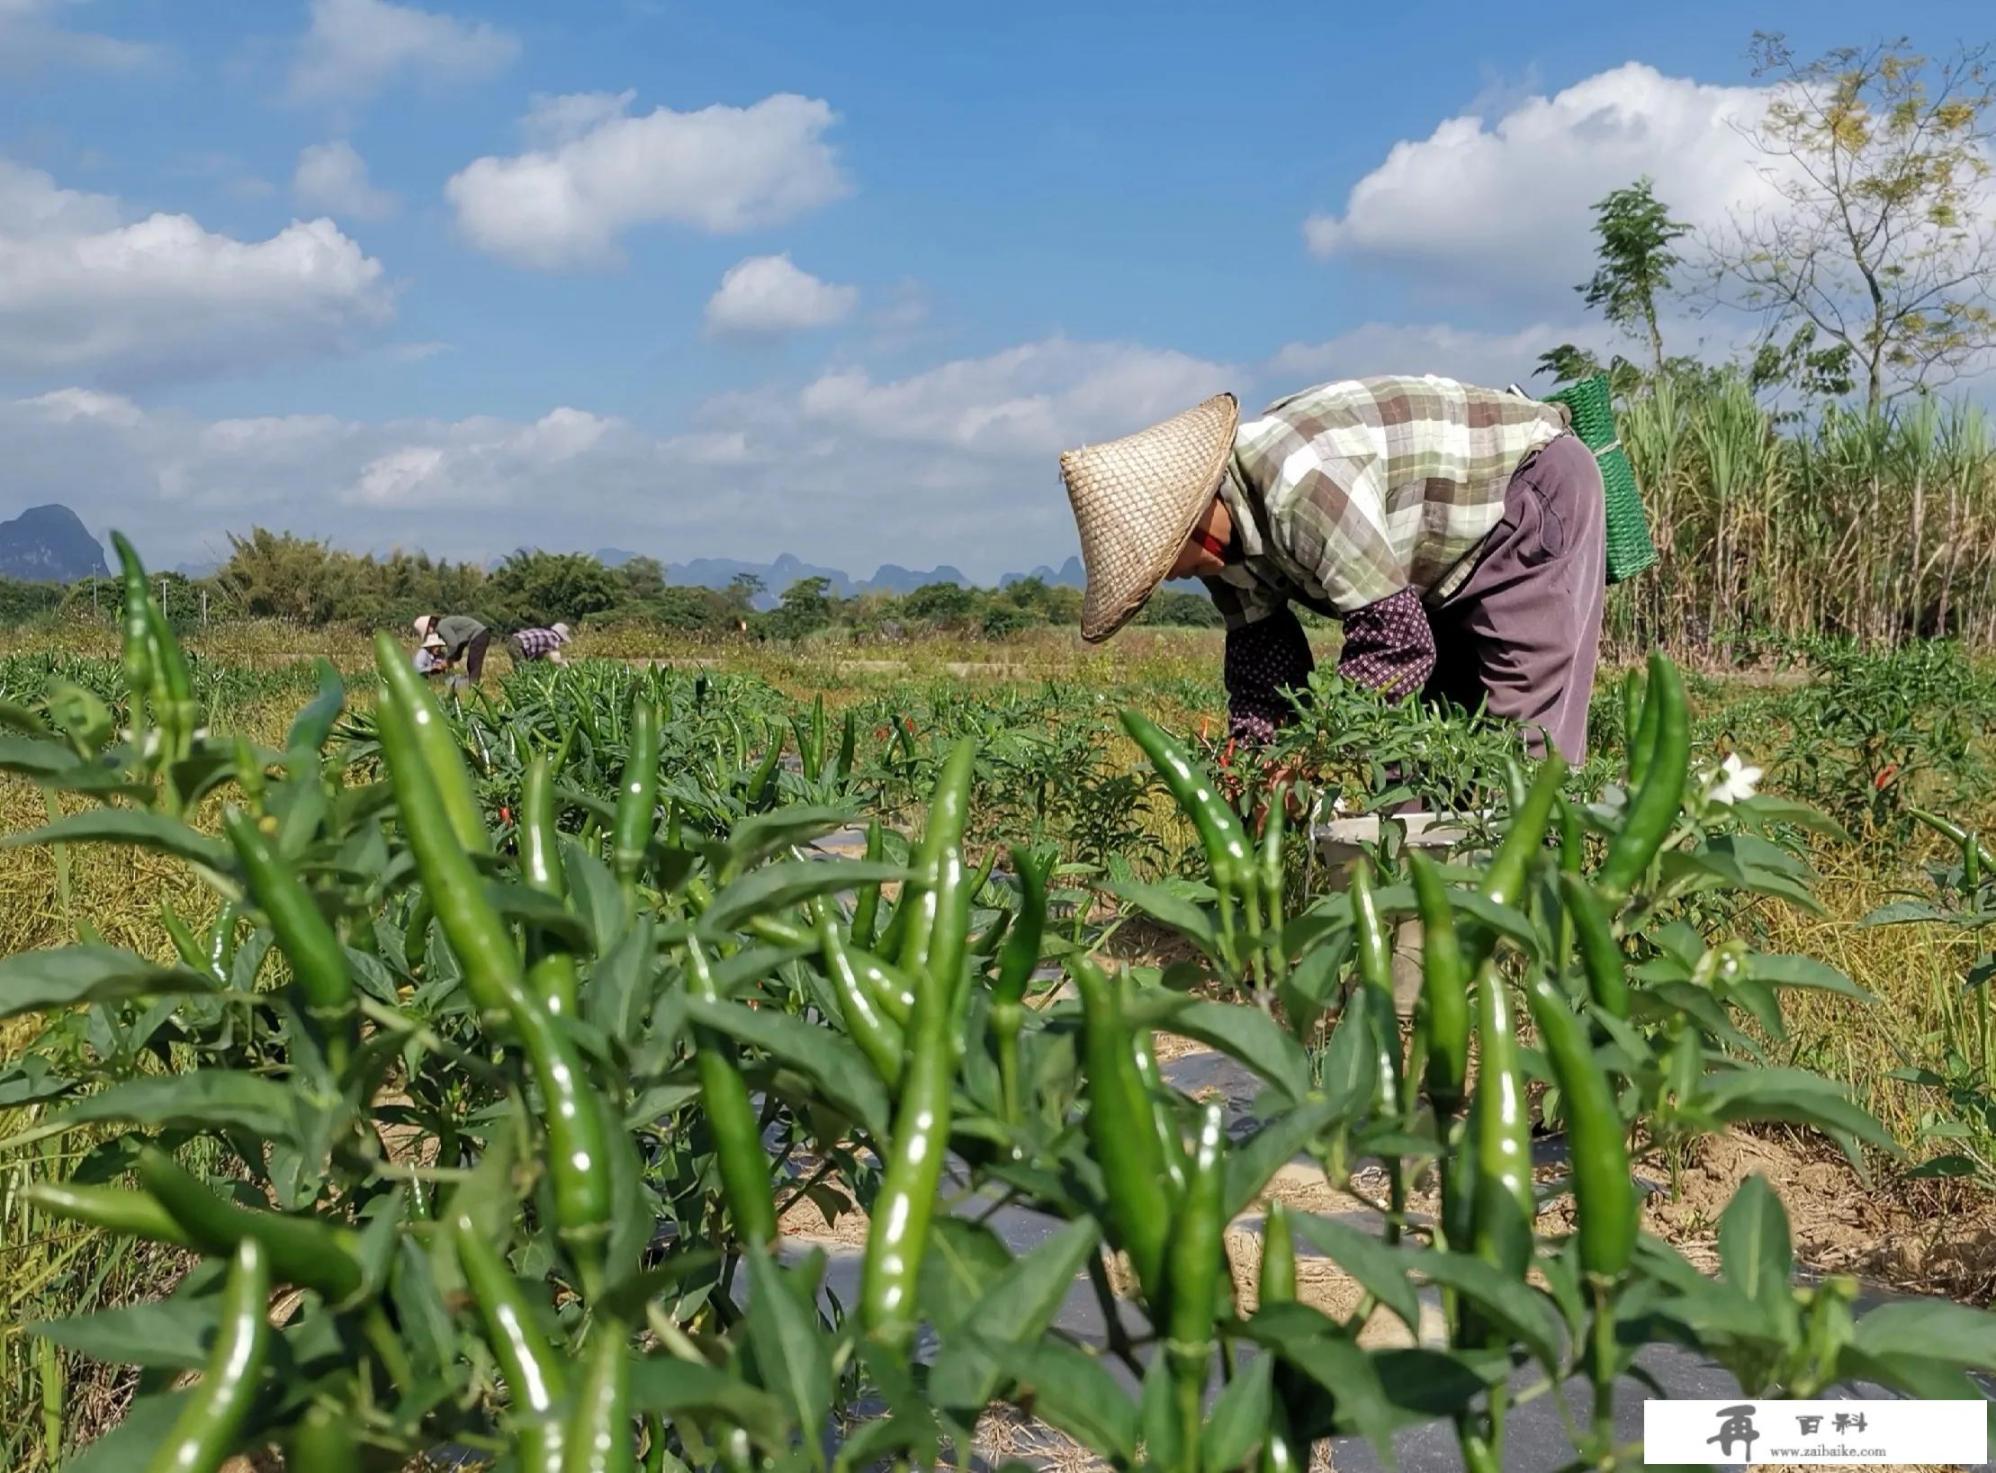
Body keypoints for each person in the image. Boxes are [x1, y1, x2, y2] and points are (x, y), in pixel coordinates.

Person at [1058, 375, 1605, 764]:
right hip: (1436, 563)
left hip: (1526, 497)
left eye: (1159, 567)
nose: (1166, 580)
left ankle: (1536, 916)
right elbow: (1263, 667)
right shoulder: (1223, 554)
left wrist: (1318, 753)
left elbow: (1396, 644)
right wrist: (1256, 765)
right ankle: (1424, 915)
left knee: (1520, 739)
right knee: (1419, 750)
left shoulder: (1301, 486)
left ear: (1190, 522)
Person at [412, 613, 492, 681]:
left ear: (429, 627)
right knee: (471, 665)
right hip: (480, 634)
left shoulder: (442, 627)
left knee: (473, 664)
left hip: (479, 634)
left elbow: (453, 644)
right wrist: (452, 658)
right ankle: (472, 686)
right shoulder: (444, 625)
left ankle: (473, 688)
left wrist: (446, 660)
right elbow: (459, 643)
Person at [507, 622, 572, 666]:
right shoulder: (554, 638)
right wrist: (564, 662)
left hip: (513, 641)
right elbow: (555, 659)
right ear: (561, 636)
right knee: (524, 669)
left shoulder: (546, 633)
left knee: (519, 667)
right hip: (519, 644)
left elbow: (538, 656)